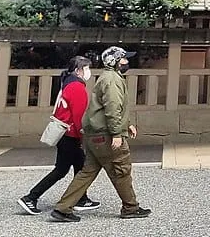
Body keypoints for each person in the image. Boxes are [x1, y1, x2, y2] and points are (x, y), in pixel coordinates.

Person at [50, 46, 151, 222]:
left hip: (94, 135)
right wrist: (117, 133)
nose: (127, 62)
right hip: (105, 135)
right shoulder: (112, 80)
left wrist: (127, 124)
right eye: (124, 59)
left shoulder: (108, 78)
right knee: (121, 169)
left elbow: (113, 108)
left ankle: (63, 208)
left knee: (87, 172)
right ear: (116, 61)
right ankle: (130, 207)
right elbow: (112, 108)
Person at [17, 56, 100, 215]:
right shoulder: (77, 87)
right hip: (70, 134)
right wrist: (83, 137)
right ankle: (31, 197)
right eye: (86, 68)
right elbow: (79, 117)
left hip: (65, 132)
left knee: (79, 167)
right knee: (62, 170)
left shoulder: (68, 84)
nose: (89, 71)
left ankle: (81, 198)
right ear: (78, 70)